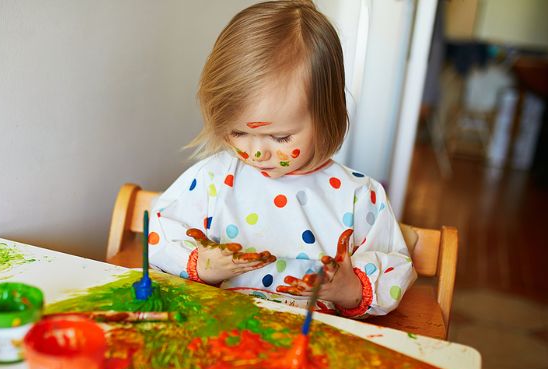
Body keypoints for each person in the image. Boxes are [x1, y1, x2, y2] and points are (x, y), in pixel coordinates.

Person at [148, 0, 416, 318]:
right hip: (222, 331)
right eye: (238, 133)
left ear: (325, 117)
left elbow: (396, 271)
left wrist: (349, 288)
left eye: (280, 138)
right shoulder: (214, 180)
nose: (257, 152)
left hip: (312, 345)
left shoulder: (358, 197)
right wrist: (199, 263)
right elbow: (158, 234)